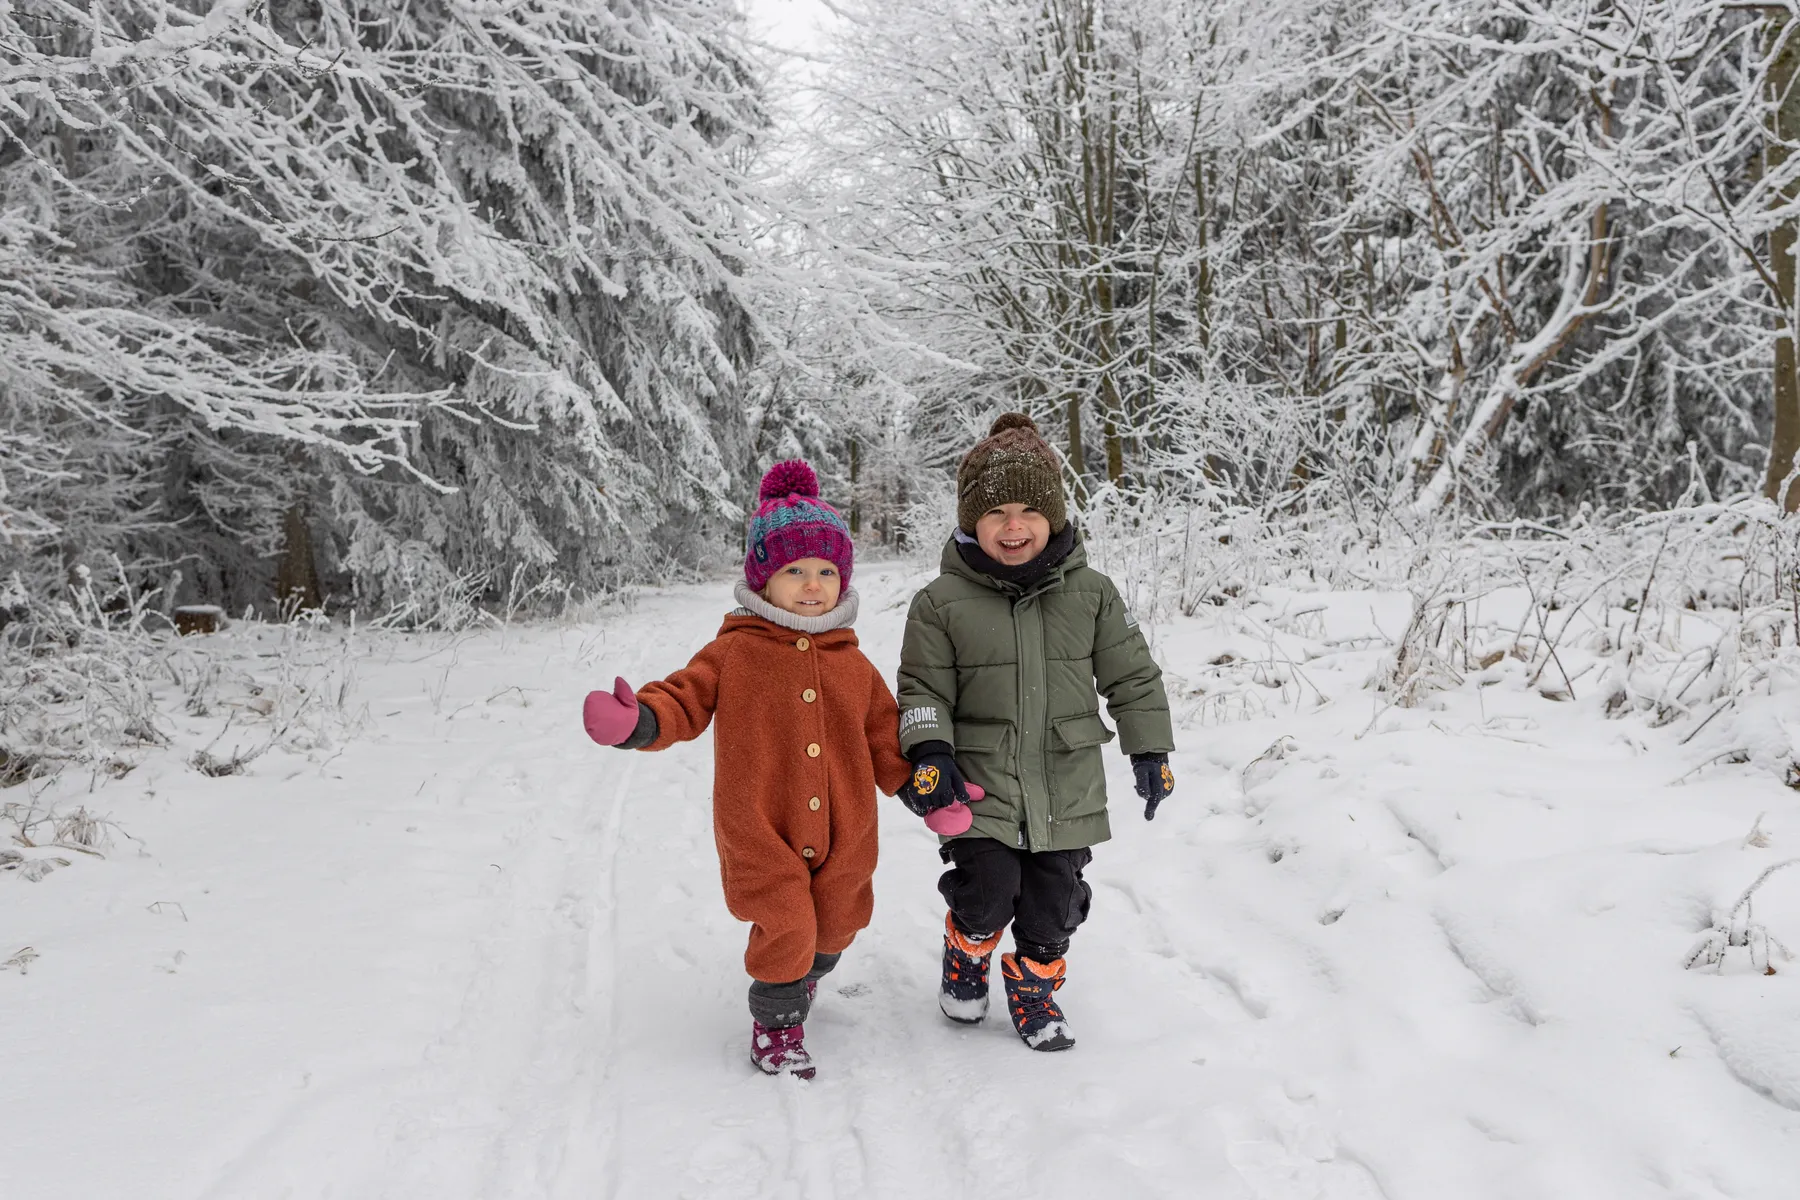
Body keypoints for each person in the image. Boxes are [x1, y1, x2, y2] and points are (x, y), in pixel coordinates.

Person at [583, 461, 909, 1079]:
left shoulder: (852, 662)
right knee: (785, 919)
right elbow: (685, 695)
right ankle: (777, 1025)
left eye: (825, 571)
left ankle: (808, 974)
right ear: (763, 578)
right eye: (793, 571)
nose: (812, 585)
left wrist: (925, 793)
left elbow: (884, 737)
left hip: (847, 826)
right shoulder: (735, 650)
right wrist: (640, 722)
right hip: (759, 822)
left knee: (838, 918)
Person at [895, 413, 1175, 1051]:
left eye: (1027, 510)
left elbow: (1133, 676)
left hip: (1067, 786)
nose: (1013, 526)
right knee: (988, 894)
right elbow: (923, 689)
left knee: (1054, 909)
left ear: (1053, 516)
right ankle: (967, 951)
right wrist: (931, 753)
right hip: (982, 788)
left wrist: (1149, 747)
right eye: (995, 513)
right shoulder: (940, 603)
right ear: (971, 522)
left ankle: (1034, 988)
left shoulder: (1093, 595)